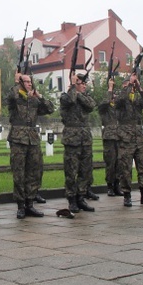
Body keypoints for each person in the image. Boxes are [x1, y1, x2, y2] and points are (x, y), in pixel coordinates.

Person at [6, 72, 55, 219]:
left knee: (34, 171)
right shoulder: (15, 97)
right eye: (26, 82)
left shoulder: (33, 100)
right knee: (19, 173)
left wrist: (39, 96)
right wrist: (16, 83)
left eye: (30, 82)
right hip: (18, 138)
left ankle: (30, 203)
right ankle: (21, 206)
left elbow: (50, 109)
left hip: (32, 138)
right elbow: (10, 97)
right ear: (21, 83)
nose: (29, 84)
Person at [116, 72, 143, 207]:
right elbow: (120, 100)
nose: (131, 87)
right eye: (129, 84)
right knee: (125, 168)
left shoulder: (137, 101)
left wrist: (139, 87)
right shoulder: (120, 98)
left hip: (139, 137)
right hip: (126, 138)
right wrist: (128, 86)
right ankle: (127, 195)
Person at [60, 73, 96, 213]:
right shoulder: (65, 96)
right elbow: (68, 100)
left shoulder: (84, 97)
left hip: (85, 139)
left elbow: (91, 105)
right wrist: (73, 88)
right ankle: (72, 199)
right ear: (75, 84)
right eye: (81, 83)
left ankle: (81, 197)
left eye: (85, 84)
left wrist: (78, 92)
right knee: (71, 171)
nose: (84, 86)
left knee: (85, 171)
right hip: (72, 139)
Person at [98, 78, 123, 197]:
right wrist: (110, 88)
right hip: (109, 137)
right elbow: (103, 103)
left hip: (119, 136)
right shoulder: (105, 107)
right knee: (110, 163)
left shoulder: (118, 108)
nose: (115, 97)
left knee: (119, 163)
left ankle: (117, 185)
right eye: (114, 95)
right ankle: (110, 186)